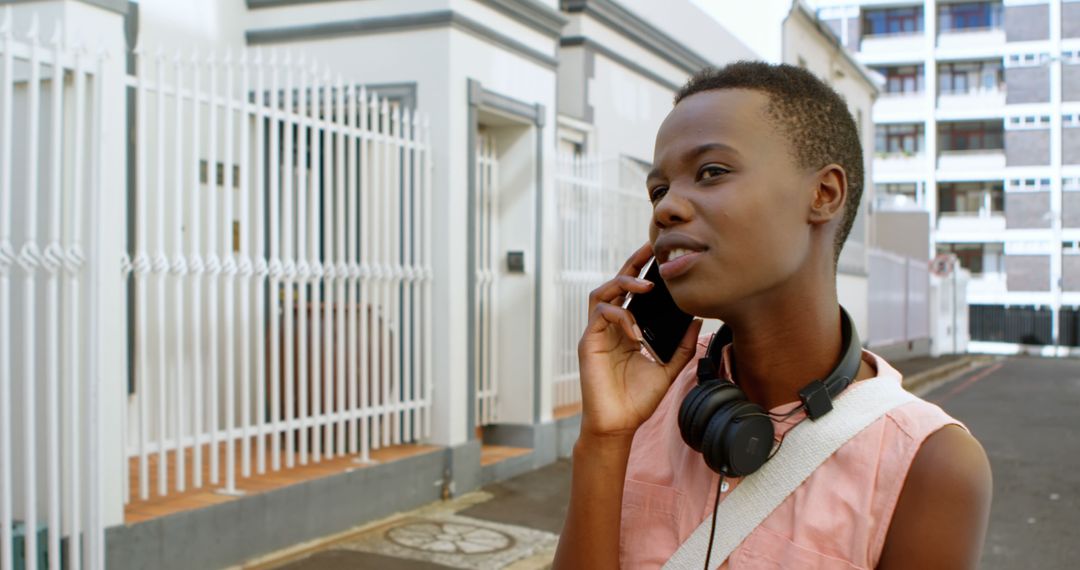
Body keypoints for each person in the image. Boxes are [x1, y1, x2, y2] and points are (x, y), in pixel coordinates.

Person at [552, 62, 992, 569]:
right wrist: (604, 441)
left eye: (711, 172)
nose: (666, 208)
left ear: (823, 194)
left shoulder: (929, 465)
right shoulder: (645, 405)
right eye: (658, 190)